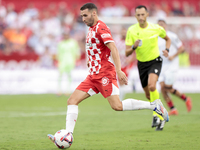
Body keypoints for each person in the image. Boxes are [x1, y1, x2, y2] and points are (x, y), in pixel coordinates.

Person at [47, 3, 169, 145]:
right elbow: (96, 48)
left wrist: (118, 70)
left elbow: (113, 48)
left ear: (94, 13)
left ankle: (154, 105)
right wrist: (90, 61)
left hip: (105, 74)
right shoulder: (91, 29)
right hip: (93, 76)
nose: (83, 19)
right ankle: (68, 135)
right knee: (72, 101)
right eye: (81, 16)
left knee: (117, 106)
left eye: (85, 15)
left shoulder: (101, 27)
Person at [125, 5, 171, 131]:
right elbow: (127, 53)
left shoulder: (155, 28)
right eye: (138, 15)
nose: (140, 17)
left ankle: (156, 116)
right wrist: (134, 47)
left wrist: (167, 49)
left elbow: (168, 39)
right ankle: (161, 113)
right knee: (147, 94)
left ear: (147, 15)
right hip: (142, 64)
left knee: (152, 86)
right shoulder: (131, 31)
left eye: (142, 14)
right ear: (135, 16)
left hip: (155, 61)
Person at [157, 19, 192, 116]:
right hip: (161, 66)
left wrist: (173, 56)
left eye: (162, 24)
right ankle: (173, 109)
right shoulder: (156, 37)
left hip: (171, 65)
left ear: (165, 26)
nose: (160, 26)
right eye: (158, 25)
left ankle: (186, 99)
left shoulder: (172, 36)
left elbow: (182, 48)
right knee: (162, 88)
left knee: (168, 88)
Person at [114, 27, 136, 100]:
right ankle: (131, 84)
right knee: (120, 82)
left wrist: (130, 60)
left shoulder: (130, 42)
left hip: (127, 65)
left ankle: (120, 99)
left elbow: (136, 53)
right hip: (119, 64)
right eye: (122, 32)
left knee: (122, 82)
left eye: (125, 32)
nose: (123, 34)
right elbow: (112, 51)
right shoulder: (116, 41)